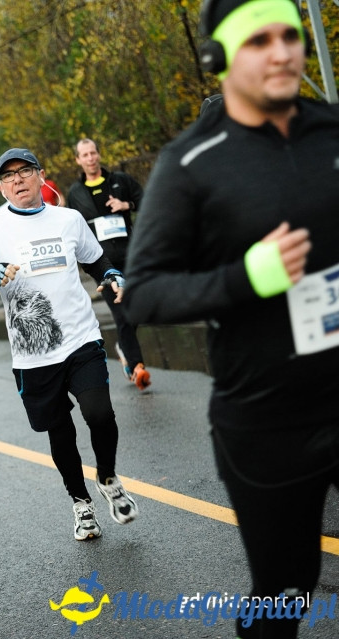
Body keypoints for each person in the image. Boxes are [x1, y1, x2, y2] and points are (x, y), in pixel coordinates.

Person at [124, 2, 337, 636]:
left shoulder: (333, 130)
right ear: (218, 58)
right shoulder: (191, 165)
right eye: (259, 40)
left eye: (290, 36)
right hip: (268, 421)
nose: (282, 52)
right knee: (286, 593)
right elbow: (144, 295)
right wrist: (249, 277)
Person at [0, 147, 138, 542]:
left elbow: (96, 260)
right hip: (34, 352)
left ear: (41, 176)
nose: (18, 180)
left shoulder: (68, 219)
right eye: (9, 176)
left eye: (25, 171)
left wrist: (111, 274)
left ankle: (108, 478)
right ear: (0, 187)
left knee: (100, 414)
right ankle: (81, 503)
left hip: (80, 336)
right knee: (60, 432)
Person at [66, 138, 150, 390]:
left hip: (131, 255)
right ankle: (137, 368)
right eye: (85, 154)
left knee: (139, 307)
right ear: (78, 160)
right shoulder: (75, 193)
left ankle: (124, 348)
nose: (90, 158)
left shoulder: (120, 181)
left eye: (93, 153)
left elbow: (149, 200)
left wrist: (127, 205)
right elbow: (74, 230)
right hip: (103, 263)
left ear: (99, 155)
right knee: (122, 312)